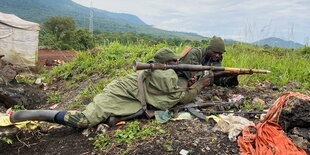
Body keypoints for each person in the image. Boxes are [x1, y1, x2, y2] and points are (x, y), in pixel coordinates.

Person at [10, 48, 213, 129]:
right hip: (117, 93)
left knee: (128, 114)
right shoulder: (163, 75)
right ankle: (26, 115)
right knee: (84, 121)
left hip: (131, 96)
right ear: (165, 63)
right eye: (173, 63)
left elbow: (172, 93)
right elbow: (179, 98)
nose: (176, 65)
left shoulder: (163, 73)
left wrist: (190, 82)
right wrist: (199, 85)